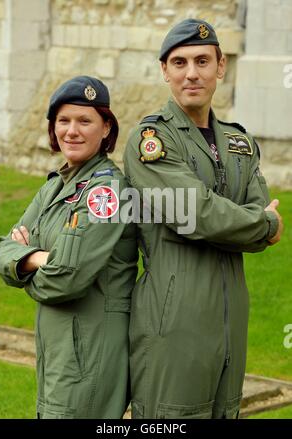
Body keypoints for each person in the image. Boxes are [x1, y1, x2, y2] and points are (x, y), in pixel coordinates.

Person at [123, 19, 283, 419]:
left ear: (220, 66)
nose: (191, 73)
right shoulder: (152, 141)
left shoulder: (239, 142)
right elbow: (194, 213)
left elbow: (231, 213)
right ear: (165, 71)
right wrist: (264, 225)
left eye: (201, 61)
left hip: (231, 325)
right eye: (179, 62)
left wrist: (240, 224)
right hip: (174, 324)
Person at [0, 76, 138, 419]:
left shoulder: (106, 193)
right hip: (59, 350)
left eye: (84, 121)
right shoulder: (56, 186)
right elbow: (1, 255)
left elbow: (64, 281)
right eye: (63, 120)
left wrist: (26, 262)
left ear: (106, 128)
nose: (72, 131)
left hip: (90, 355)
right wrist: (41, 259)